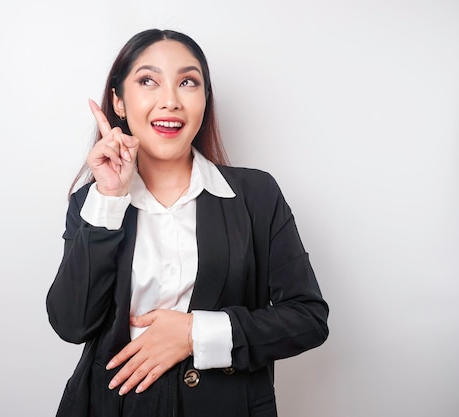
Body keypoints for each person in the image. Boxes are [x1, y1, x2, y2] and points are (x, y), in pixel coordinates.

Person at [46, 28, 329, 417]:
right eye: (148, 81)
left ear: (205, 100)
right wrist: (110, 198)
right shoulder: (92, 202)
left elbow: (308, 318)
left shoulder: (255, 195)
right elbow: (71, 324)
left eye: (187, 82)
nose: (170, 101)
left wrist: (194, 333)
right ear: (119, 102)